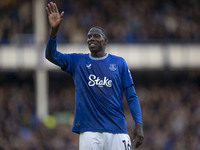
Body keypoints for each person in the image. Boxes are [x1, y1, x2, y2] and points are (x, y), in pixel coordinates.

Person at [45, 2, 144, 150]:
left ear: (105, 41)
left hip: (117, 130)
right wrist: (53, 33)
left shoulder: (119, 63)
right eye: (89, 36)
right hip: (90, 132)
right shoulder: (77, 61)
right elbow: (51, 56)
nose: (91, 38)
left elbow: (131, 96)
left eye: (96, 36)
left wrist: (139, 124)